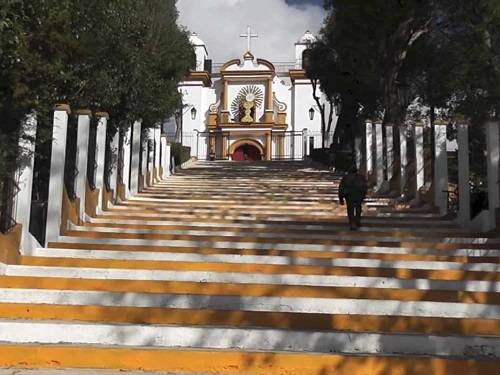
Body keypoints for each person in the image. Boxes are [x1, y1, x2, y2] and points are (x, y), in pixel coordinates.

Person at [338, 166, 368, 230]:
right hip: (359, 195)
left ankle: (352, 223)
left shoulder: (346, 178)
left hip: (349, 195)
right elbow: (365, 187)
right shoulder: (361, 177)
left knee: (350, 209)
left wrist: (341, 199)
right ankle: (358, 220)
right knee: (358, 208)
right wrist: (363, 196)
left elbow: (341, 189)